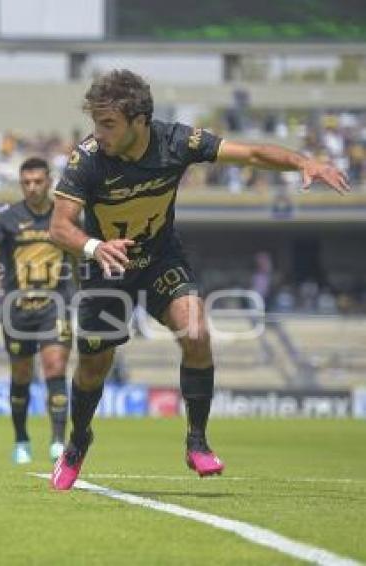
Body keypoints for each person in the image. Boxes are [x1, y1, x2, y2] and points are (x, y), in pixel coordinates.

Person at [49, 69, 349, 490]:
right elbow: (59, 228)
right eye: (96, 123)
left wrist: (303, 161)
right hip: (107, 267)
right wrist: (95, 247)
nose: (98, 133)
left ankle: (197, 441)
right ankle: (78, 442)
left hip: (158, 257)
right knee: (94, 367)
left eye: (109, 124)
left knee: (196, 331)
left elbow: (252, 155)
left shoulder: (177, 141)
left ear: (140, 120)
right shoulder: (87, 158)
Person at [0, 157, 75, 464]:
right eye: (26, 182)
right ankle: (21, 440)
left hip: (54, 304)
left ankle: (58, 440)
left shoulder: (65, 214)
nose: (32, 188)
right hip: (17, 308)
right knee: (21, 374)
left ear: (49, 181)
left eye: (38, 181)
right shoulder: (8, 217)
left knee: (55, 367)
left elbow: (80, 251)